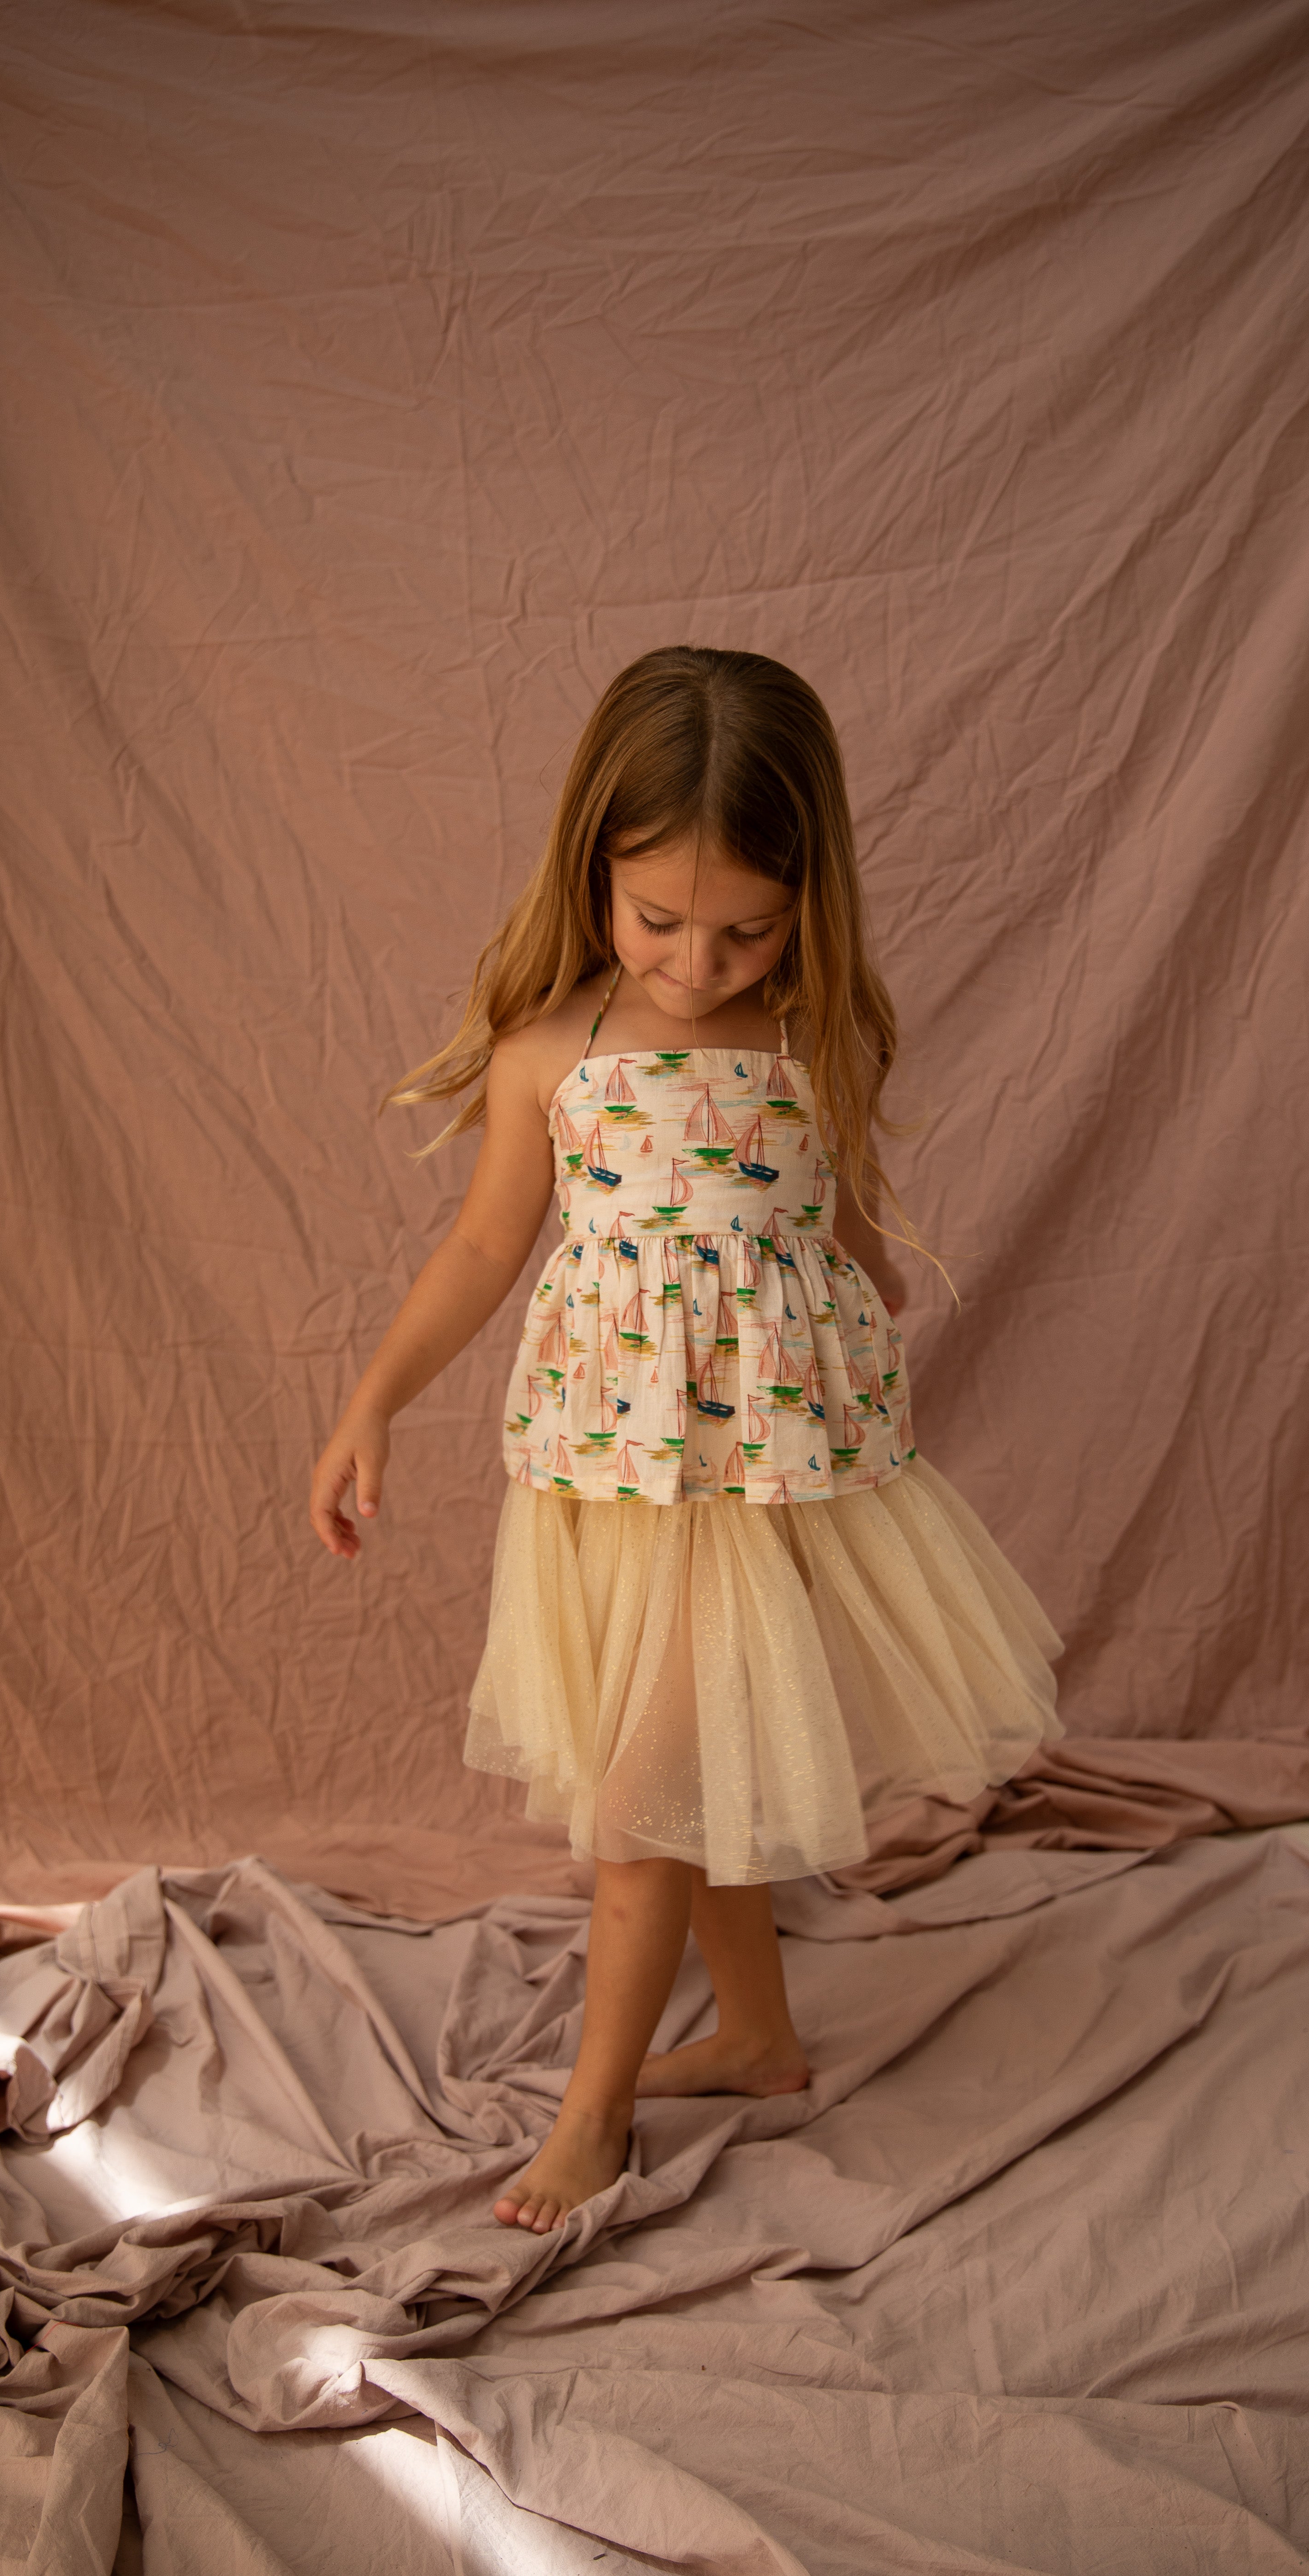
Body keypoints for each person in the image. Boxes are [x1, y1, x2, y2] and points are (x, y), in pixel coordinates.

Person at [310, 646, 1063, 2233]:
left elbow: (839, 1233)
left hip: (759, 1469)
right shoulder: (555, 1059)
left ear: (808, 904)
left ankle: (591, 2118)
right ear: (595, 871)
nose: (700, 964)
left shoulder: (811, 1049)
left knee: (651, 1798)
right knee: (678, 1771)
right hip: (611, 1481)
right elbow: (477, 1254)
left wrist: (854, 1367)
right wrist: (372, 1399)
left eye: (749, 930)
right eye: (659, 921)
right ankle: (763, 2037)